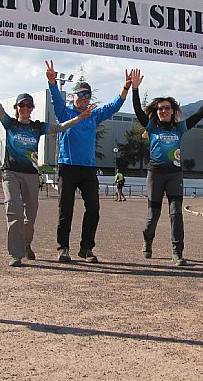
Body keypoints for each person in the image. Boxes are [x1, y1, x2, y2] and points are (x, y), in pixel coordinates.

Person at [0, 60, 93, 267]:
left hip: (31, 175)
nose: (25, 108)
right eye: (22, 105)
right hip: (10, 173)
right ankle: (16, 254)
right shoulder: (9, 123)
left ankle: (27, 244)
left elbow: (61, 127)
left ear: (32, 109)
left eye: (29, 105)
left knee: (30, 217)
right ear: (17, 108)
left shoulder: (37, 127)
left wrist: (81, 118)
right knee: (14, 211)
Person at [130, 68, 203, 266]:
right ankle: (148, 239)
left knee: (176, 214)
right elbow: (137, 111)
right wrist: (135, 90)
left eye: (167, 107)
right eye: (160, 108)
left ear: (172, 110)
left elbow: (198, 115)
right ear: (156, 111)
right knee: (153, 215)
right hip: (156, 174)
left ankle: (177, 253)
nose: (163, 110)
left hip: (174, 175)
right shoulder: (151, 126)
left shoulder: (179, 128)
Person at [46, 59, 131, 263]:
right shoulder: (64, 112)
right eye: (80, 94)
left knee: (93, 209)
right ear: (73, 96)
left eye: (87, 95)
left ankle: (86, 249)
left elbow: (113, 106)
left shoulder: (93, 115)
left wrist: (125, 88)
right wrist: (52, 83)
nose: (84, 98)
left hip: (88, 169)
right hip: (67, 167)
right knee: (65, 209)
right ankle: (62, 248)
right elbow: (56, 100)